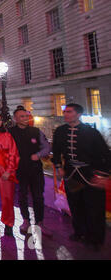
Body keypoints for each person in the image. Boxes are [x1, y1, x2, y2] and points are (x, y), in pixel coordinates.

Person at [52, 103, 111, 251]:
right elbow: (56, 151)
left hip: (90, 174)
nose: (65, 114)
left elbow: (105, 154)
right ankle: (80, 232)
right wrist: (59, 166)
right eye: (65, 112)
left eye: (69, 112)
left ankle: (95, 238)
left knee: (95, 207)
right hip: (72, 174)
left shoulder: (91, 132)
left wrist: (102, 175)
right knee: (76, 205)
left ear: (78, 114)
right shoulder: (60, 131)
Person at [9, 106, 52, 237]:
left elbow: (47, 147)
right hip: (19, 169)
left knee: (38, 196)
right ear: (15, 119)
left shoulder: (35, 131)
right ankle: (25, 221)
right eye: (21, 116)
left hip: (35, 169)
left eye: (26, 116)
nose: (25, 118)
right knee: (22, 195)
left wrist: (38, 155)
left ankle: (40, 222)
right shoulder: (10, 133)